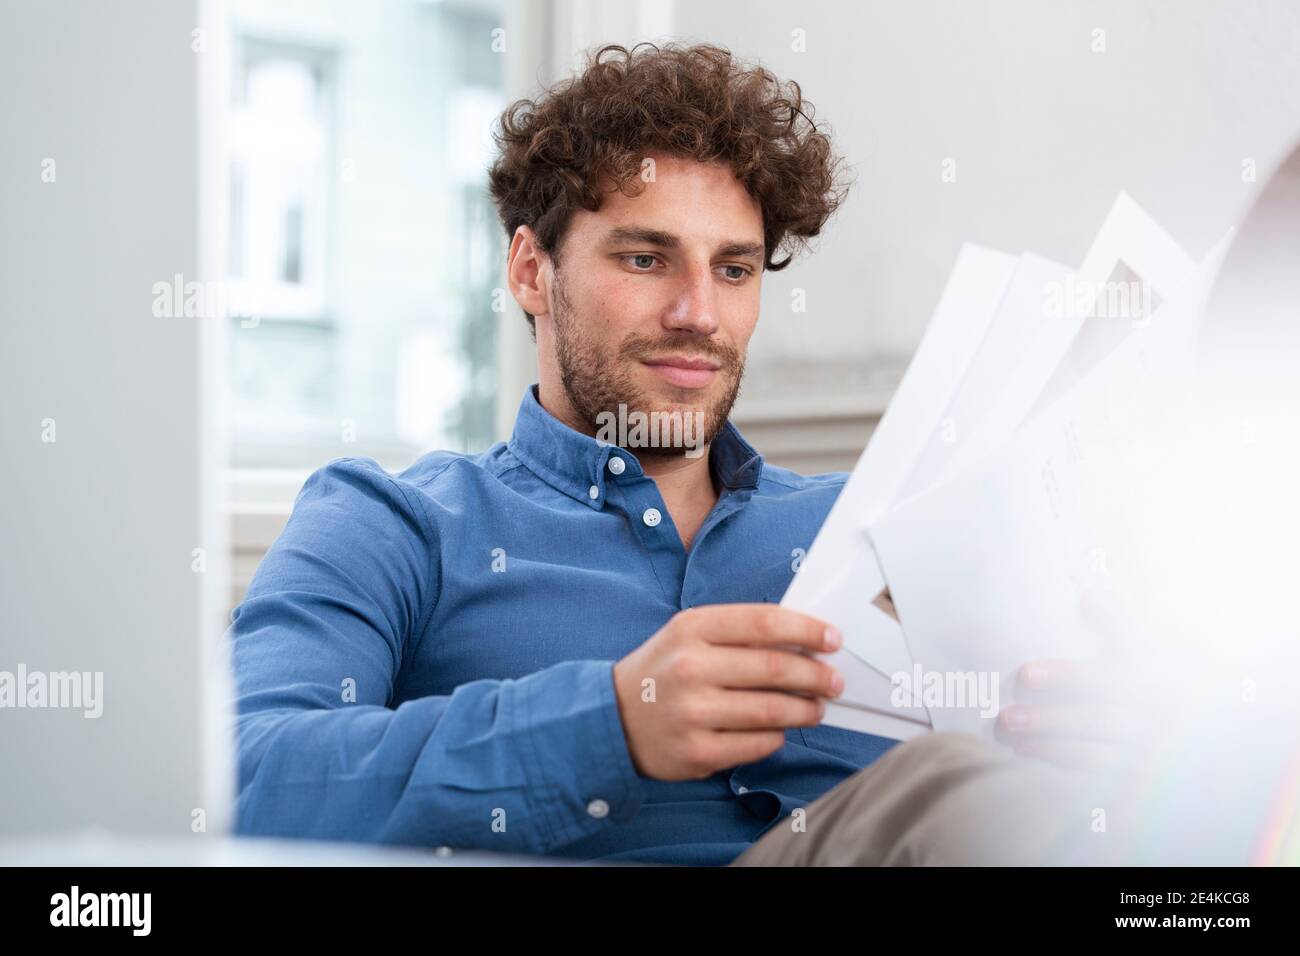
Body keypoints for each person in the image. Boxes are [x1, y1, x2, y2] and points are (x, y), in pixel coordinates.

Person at [229, 41, 1107, 866]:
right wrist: (604, 726)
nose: (699, 313)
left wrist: (1109, 750)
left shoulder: (871, 526)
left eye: (734, 270)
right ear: (532, 270)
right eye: (647, 258)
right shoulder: (395, 522)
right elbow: (242, 773)